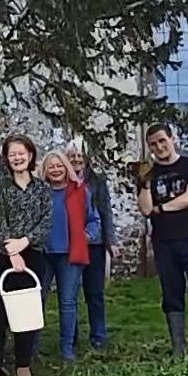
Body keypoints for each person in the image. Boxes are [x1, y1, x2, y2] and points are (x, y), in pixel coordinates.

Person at [137, 123, 188, 357]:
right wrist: (143, 183)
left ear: (172, 139)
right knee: (172, 294)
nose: (159, 147)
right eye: (153, 144)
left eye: (162, 141)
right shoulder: (149, 174)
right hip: (164, 242)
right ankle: (178, 350)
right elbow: (144, 209)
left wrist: (161, 208)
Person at [0, 135, 51, 376]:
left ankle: (23, 368)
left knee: (27, 314)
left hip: (32, 255)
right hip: (3, 256)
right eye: (12, 154)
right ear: (7, 158)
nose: (17, 158)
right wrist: (12, 251)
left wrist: (25, 242)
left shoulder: (41, 189)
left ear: (30, 155)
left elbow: (46, 222)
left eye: (22, 153)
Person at [39, 151, 94, 361]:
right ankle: (31, 347)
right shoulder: (39, 193)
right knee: (37, 300)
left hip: (70, 254)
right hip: (43, 253)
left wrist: (86, 236)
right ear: (45, 170)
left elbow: (93, 219)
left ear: (66, 167)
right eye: (51, 166)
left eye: (59, 165)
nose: (55, 170)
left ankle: (67, 349)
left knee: (68, 302)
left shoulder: (80, 191)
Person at [66, 141, 115, 350]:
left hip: (93, 244)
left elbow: (105, 211)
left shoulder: (97, 181)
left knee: (94, 292)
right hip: (69, 245)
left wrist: (110, 241)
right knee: (70, 292)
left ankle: (98, 335)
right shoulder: (62, 179)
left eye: (80, 155)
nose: (76, 159)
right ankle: (72, 335)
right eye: (73, 155)